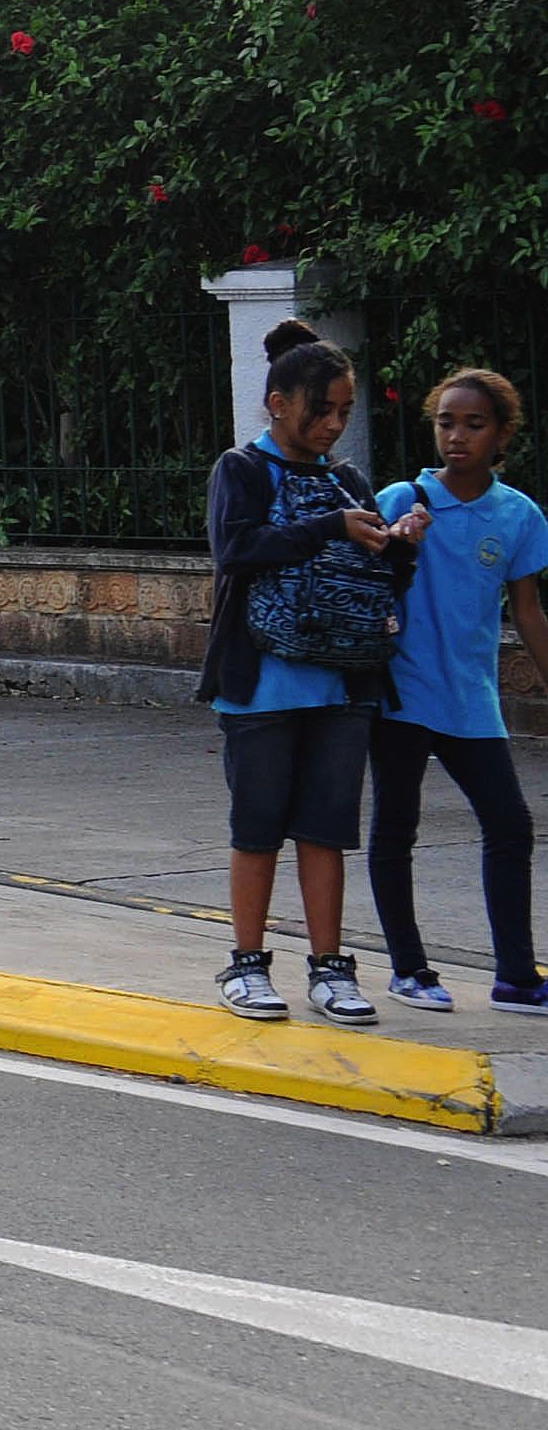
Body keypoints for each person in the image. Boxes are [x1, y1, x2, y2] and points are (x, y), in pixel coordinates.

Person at [201, 338, 411, 1024]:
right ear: (278, 405)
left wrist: (399, 545)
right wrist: (330, 527)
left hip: (341, 686)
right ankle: (247, 965)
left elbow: (378, 578)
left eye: (344, 412)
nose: (331, 425)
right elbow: (237, 549)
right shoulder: (241, 469)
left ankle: (331, 970)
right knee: (257, 829)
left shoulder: (348, 482)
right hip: (260, 687)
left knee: (327, 832)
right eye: (320, 411)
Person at [367, 367, 548, 1011]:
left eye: (474, 425)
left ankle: (516, 978)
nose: (457, 437)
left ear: (501, 435)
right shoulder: (400, 500)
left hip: (472, 699)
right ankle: (409, 969)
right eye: (446, 422)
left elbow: (526, 610)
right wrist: (396, 543)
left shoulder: (519, 515)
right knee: (396, 827)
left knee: (510, 826)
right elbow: (365, 582)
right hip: (402, 694)